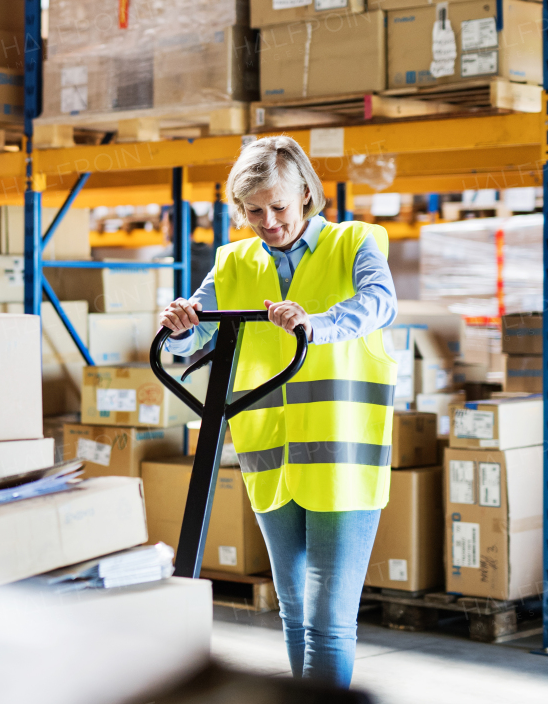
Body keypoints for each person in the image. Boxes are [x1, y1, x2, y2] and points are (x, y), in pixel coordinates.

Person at [157, 136, 398, 688]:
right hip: (270, 459)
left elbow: (380, 302)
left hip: (342, 463)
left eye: (279, 206)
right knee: (294, 615)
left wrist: (317, 324)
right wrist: (177, 327)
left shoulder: (356, 242)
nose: (269, 221)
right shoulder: (234, 262)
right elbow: (193, 334)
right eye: (255, 211)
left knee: (328, 622)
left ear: (307, 193)